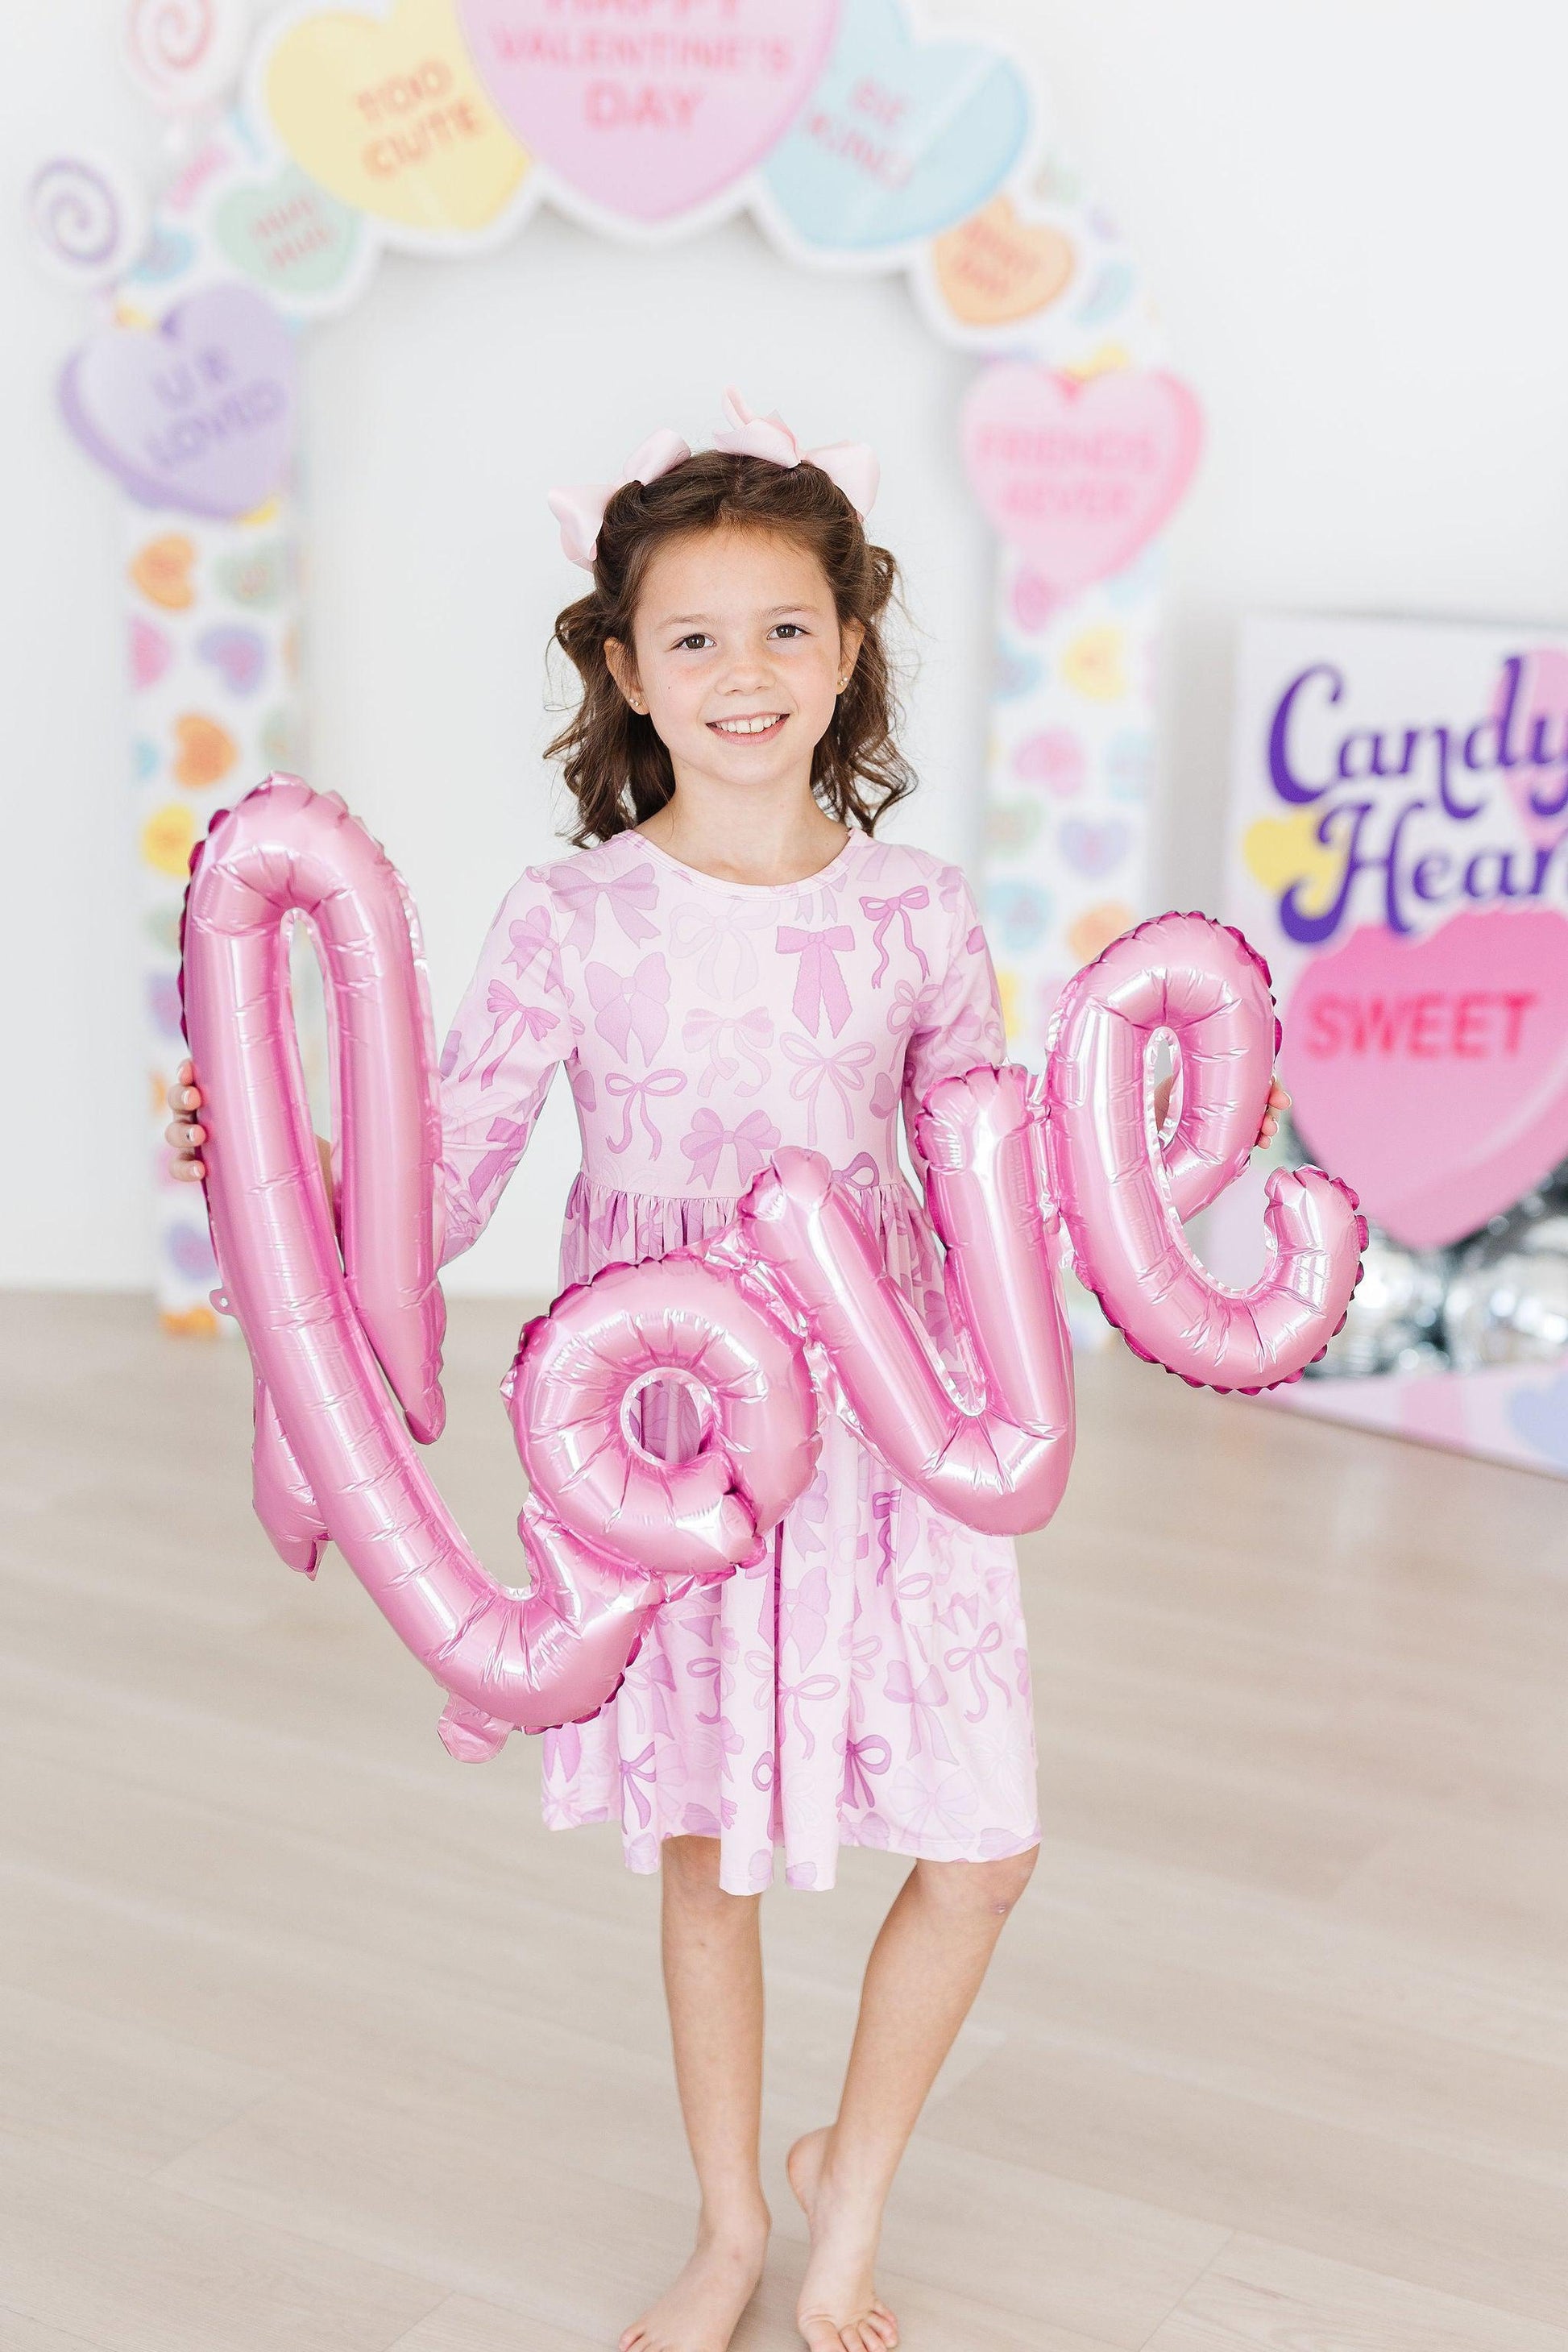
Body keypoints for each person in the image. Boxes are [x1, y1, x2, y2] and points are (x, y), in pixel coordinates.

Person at [168, 388, 1286, 2352]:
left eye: (784, 628)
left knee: (984, 1845)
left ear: (849, 645)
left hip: (890, 1419)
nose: (743, 673)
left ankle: (851, 2174)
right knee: (708, 1847)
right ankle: (730, 2224)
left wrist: (1117, 1180)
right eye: (692, 637)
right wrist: (280, 1160)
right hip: (672, 1436)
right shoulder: (569, 917)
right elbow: (444, 1182)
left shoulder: (918, 912)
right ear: (624, 669)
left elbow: (975, 1173)